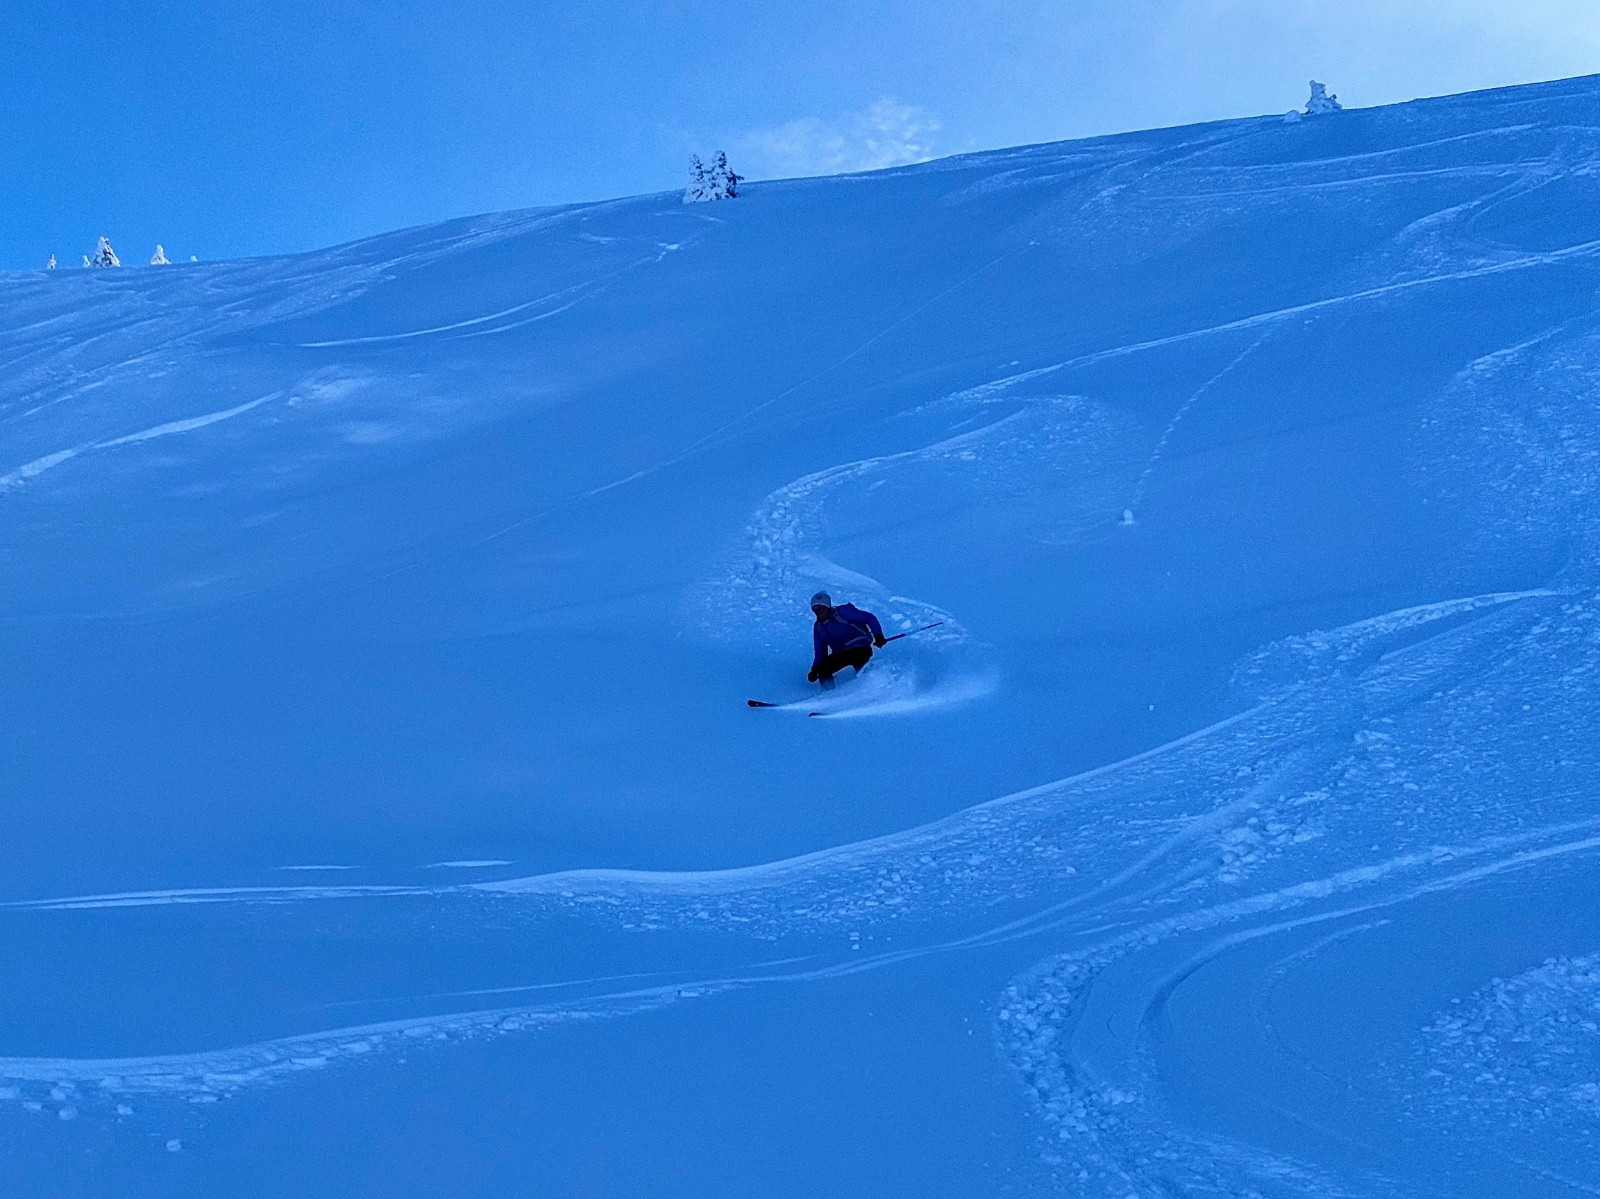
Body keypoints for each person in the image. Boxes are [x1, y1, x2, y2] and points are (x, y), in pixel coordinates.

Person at [807, 591, 887, 689]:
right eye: (815, 609)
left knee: (860, 663)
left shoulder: (842, 612)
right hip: (842, 654)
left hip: (860, 648)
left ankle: (872, 686)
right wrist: (815, 669)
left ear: (827, 607)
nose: (819, 612)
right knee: (823, 669)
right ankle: (829, 695)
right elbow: (820, 652)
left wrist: (878, 635)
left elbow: (869, 618)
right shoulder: (819, 627)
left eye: (821, 608)